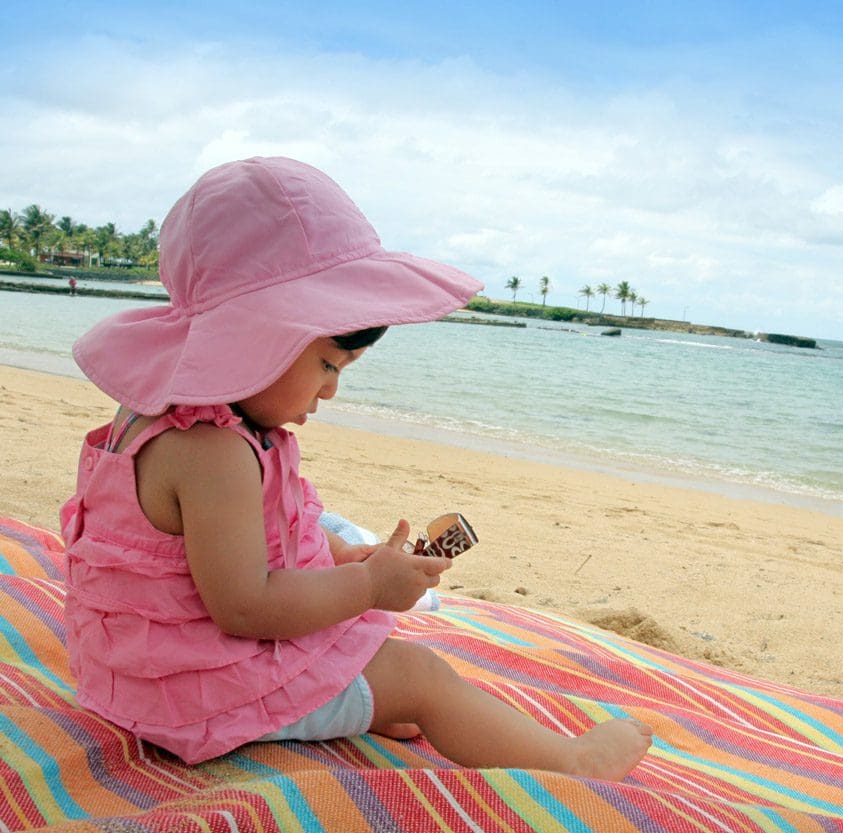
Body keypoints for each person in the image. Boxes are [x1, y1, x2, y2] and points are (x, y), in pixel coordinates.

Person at [60, 156, 652, 777]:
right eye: (328, 366)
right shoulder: (212, 452)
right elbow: (246, 606)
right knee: (423, 677)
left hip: (132, 674)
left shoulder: (160, 413)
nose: (331, 392)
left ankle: (361, 699)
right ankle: (574, 762)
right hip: (193, 697)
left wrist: (343, 563)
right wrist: (370, 589)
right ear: (255, 335)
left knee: (345, 559)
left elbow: (220, 556)